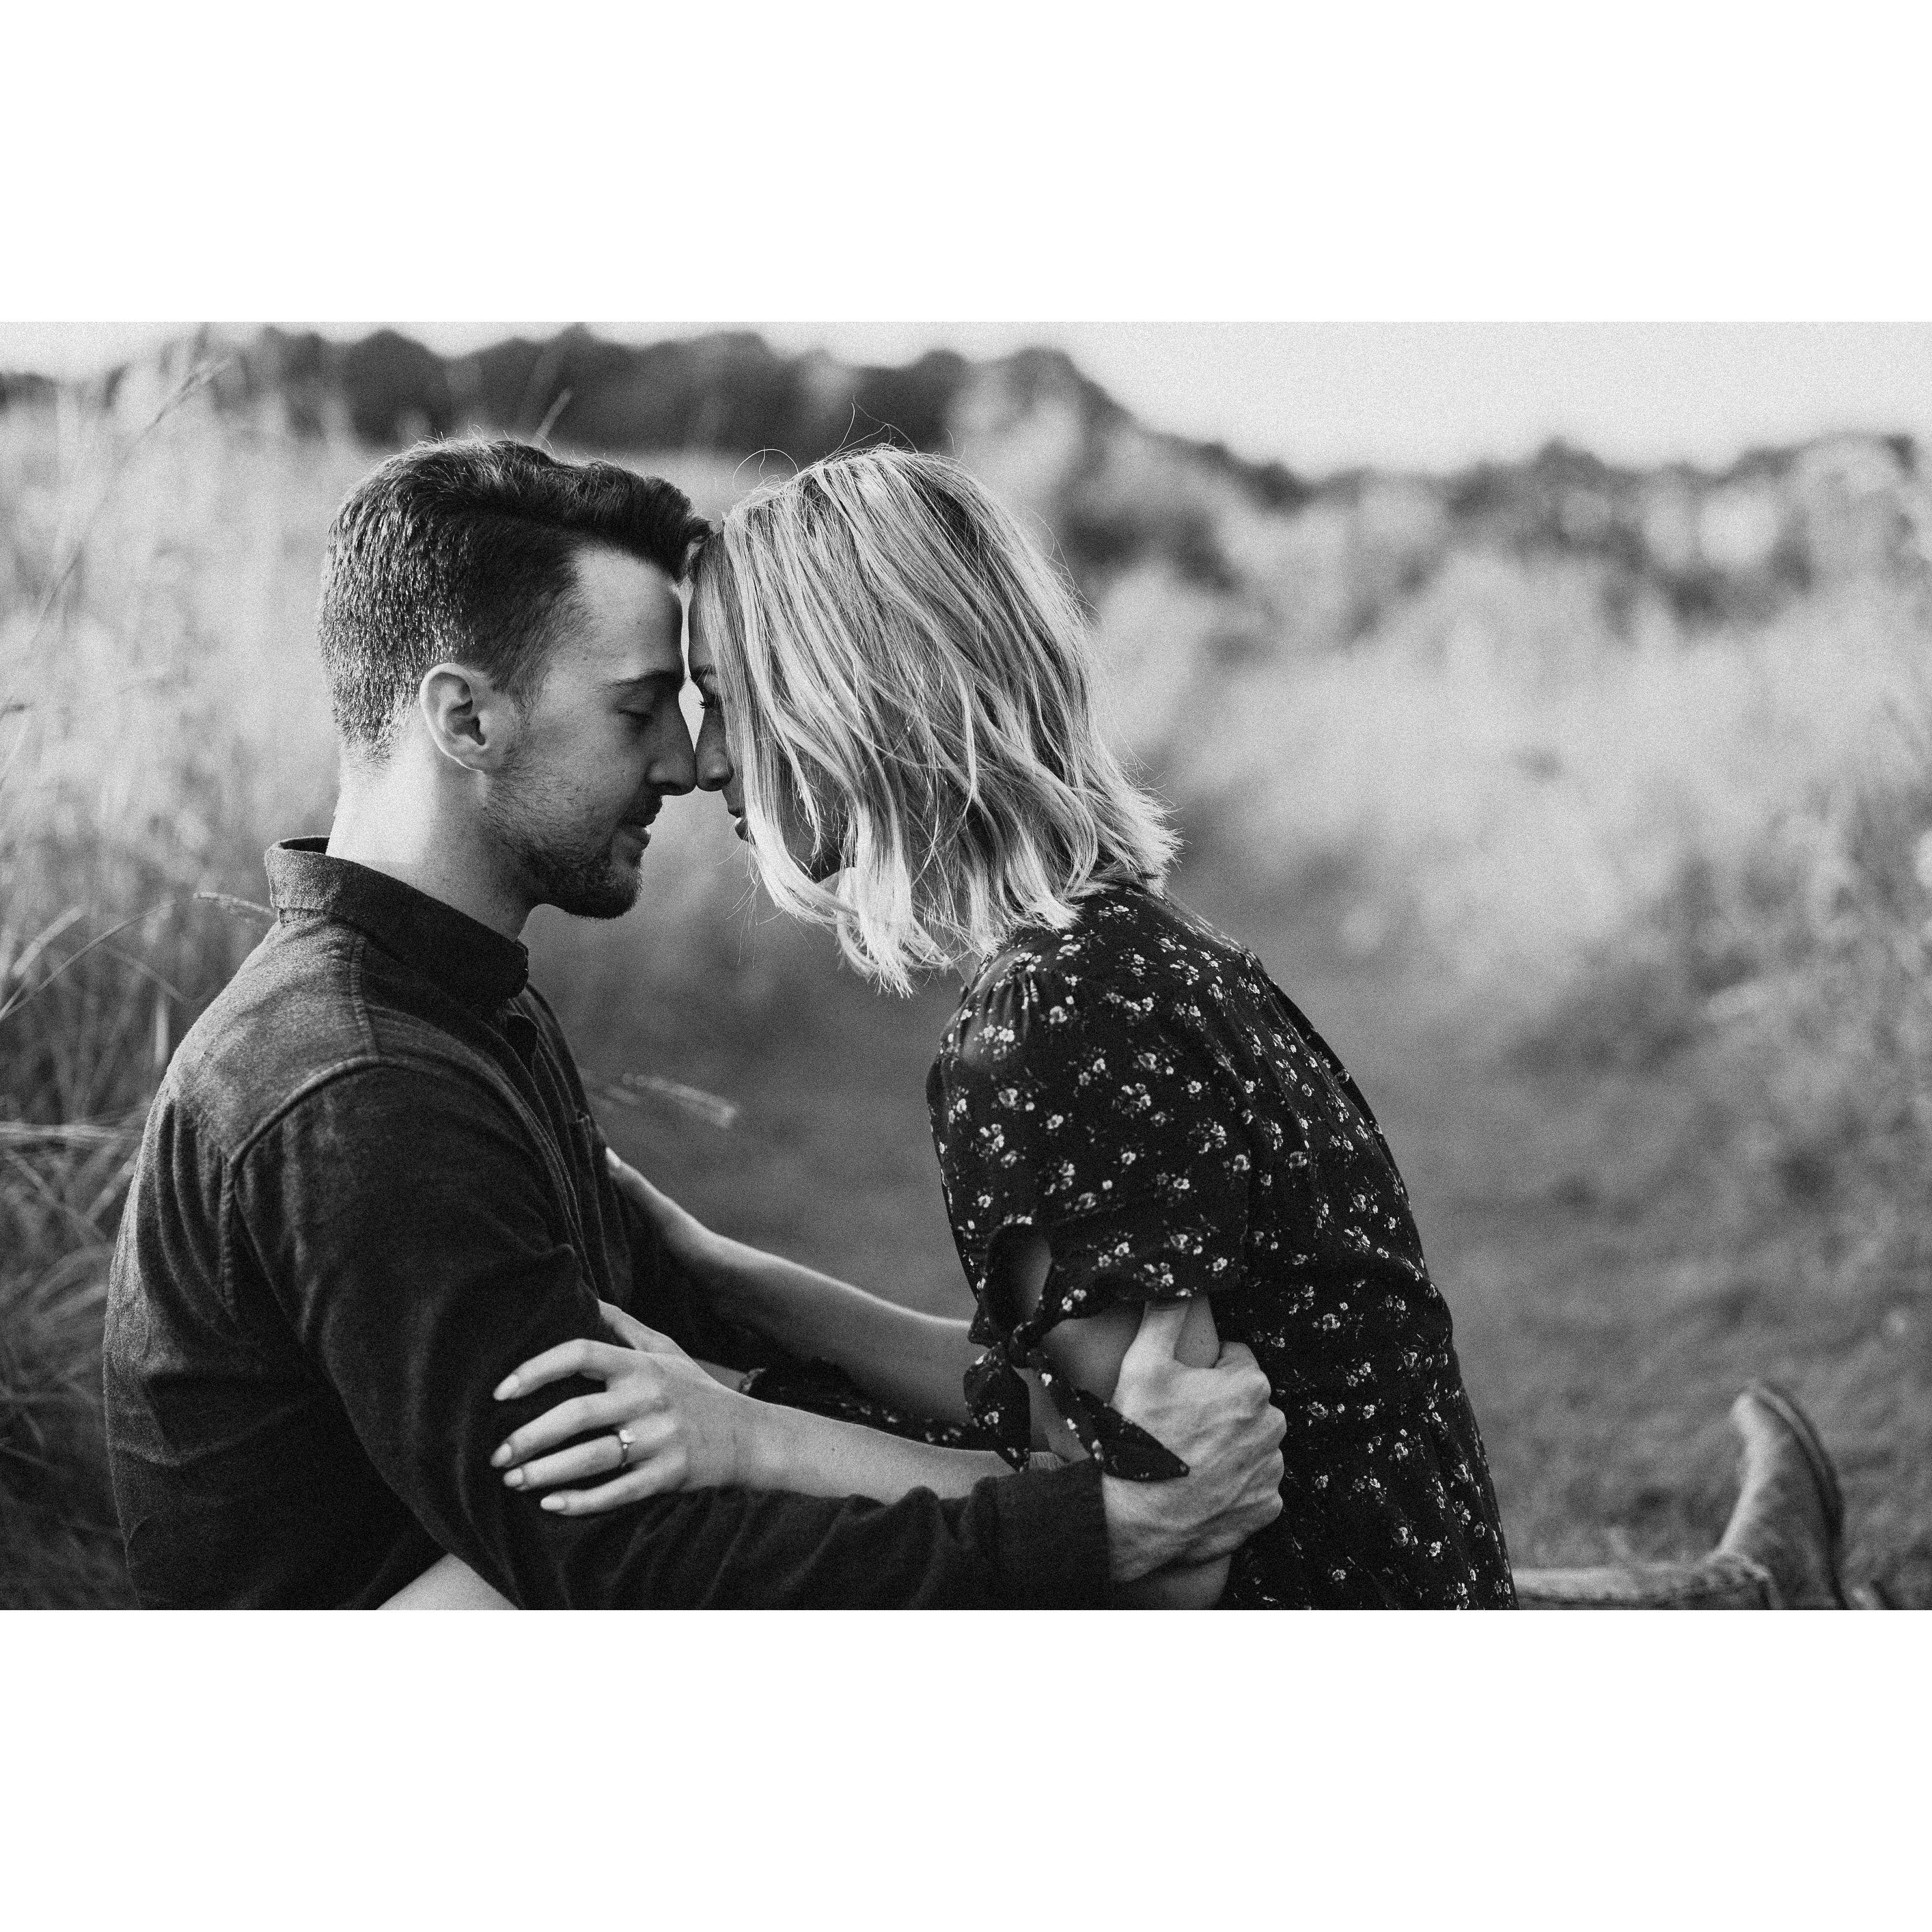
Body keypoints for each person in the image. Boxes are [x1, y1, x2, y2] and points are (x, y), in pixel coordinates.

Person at [101, 438, 1288, 1609]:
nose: (685, 762)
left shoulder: (450, 1007)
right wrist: (1097, 1529)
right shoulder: (363, 1089)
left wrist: (713, 1291)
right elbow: (616, 1561)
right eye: (640, 709)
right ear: (465, 719)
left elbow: (648, 1412)